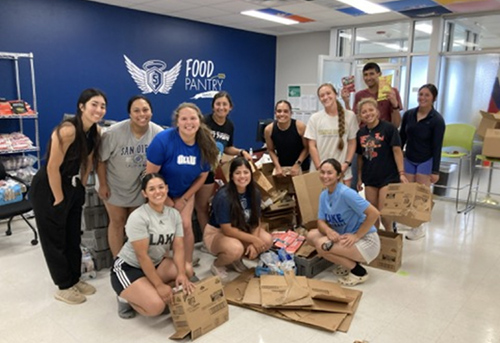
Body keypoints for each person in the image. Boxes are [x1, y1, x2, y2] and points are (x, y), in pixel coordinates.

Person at [30, 88, 106, 304]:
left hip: (72, 185)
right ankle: (63, 285)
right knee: (55, 238)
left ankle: (75, 278)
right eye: (94, 104)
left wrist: (81, 186)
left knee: (73, 236)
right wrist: (59, 199)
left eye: (102, 106)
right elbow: (52, 167)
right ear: (81, 106)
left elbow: (89, 161)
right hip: (49, 187)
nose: (99, 109)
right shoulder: (67, 130)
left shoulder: (95, 132)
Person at [146, 103, 218, 275]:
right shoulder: (163, 140)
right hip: (159, 192)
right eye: (184, 118)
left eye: (193, 118)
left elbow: (202, 175)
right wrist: (168, 201)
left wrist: (185, 198)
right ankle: (162, 268)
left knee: (185, 226)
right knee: (163, 230)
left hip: (185, 191)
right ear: (177, 122)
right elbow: (150, 176)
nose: (189, 122)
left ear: (199, 121)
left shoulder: (205, 144)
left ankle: (186, 266)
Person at [110, 173, 195, 319]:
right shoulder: (138, 217)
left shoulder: (173, 214)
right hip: (129, 268)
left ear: (166, 189)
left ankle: (146, 288)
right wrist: (159, 286)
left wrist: (180, 273)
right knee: (157, 307)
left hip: (156, 263)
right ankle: (125, 298)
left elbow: (179, 247)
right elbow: (142, 256)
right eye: (152, 189)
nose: (158, 192)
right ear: (145, 193)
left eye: (161, 187)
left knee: (187, 270)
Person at [97, 95, 163, 257]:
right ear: (129, 114)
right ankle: (118, 261)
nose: (142, 114)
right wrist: (103, 185)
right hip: (114, 185)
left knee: (136, 224)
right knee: (117, 222)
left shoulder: (158, 133)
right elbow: (100, 160)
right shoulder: (113, 133)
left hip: (138, 188)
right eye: (136, 110)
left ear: (151, 112)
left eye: (145, 110)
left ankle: (136, 259)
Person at [306, 158, 380, 286]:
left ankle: (358, 272)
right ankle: (348, 263)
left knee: (321, 245)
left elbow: (374, 213)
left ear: (339, 175)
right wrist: (328, 231)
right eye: (322, 172)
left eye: (329, 173)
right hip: (346, 238)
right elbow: (321, 222)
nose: (325, 176)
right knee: (311, 236)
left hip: (366, 241)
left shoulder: (346, 193)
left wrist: (357, 235)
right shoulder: (324, 195)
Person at [203, 157, 273, 282]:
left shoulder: (254, 192)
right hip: (218, 233)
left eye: (246, 172)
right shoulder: (223, 196)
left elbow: (257, 220)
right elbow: (227, 230)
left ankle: (236, 260)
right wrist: (254, 239)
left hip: (242, 228)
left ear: (251, 174)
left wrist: (253, 242)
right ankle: (218, 264)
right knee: (236, 248)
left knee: (267, 240)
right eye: (237, 173)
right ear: (231, 176)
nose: (242, 176)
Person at [194, 91, 252, 244]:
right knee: (190, 208)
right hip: (195, 169)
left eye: (224, 104)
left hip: (211, 170)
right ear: (213, 106)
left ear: (230, 107)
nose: (221, 107)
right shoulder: (204, 121)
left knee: (203, 206)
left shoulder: (229, 125)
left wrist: (241, 152)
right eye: (218, 104)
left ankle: (206, 241)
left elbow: (227, 147)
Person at [400, 84, 445, 240]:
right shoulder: (409, 114)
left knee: (421, 195)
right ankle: (409, 221)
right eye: (420, 94)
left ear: (433, 98)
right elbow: (401, 138)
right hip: (410, 158)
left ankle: (419, 227)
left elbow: (437, 146)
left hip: (426, 160)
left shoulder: (437, 120)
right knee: (408, 192)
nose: (422, 98)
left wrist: (435, 171)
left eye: (427, 95)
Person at [356, 98, 408, 231]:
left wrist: (401, 173)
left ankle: (390, 233)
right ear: (360, 116)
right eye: (364, 112)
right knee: (372, 214)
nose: (368, 114)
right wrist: (360, 177)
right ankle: (376, 241)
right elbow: (360, 157)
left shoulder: (389, 128)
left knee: (385, 213)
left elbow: (397, 151)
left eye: (371, 110)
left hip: (388, 177)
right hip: (370, 178)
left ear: (377, 111)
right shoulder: (361, 133)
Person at [305, 83, 358, 187]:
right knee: (319, 202)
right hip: (320, 171)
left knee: (341, 202)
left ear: (336, 94)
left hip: (342, 170)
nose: (325, 97)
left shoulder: (350, 116)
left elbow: (352, 142)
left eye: (328, 93)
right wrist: (320, 167)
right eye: (322, 95)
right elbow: (311, 145)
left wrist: (346, 164)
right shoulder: (315, 118)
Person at [343, 62, 403, 127]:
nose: (368, 78)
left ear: (379, 74)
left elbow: (396, 124)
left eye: (372, 74)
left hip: (385, 134)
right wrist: (346, 102)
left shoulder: (391, 92)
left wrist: (395, 104)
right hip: (365, 134)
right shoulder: (359, 95)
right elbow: (354, 122)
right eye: (365, 75)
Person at [264, 99, 310, 177]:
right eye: (279, 111)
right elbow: (270, 150)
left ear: (291, 113)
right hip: (282, 168)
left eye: (285, 111)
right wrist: (277, 166)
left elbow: (307, 148)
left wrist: (297, 164)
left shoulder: (300, 127)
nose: (282, 114)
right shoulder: (269, 129)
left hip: (302, 166)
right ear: (275, 113)